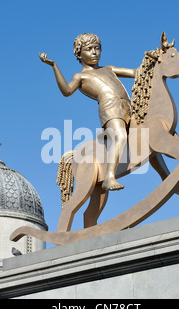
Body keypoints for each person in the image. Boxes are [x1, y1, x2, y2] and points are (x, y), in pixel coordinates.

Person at [40, 33, 134, 191]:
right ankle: (109, 176)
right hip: (110, 108)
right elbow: (67, 91)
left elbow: (135, 72)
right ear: (79, 54)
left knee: (149, 133)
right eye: (89, 49)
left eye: (97, 48)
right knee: (120, 136)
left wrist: (154, 59)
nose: (94, 52)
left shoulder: (109, 69)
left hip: (128, 106)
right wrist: (54, 66)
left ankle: (165, 175)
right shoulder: (80, 76)